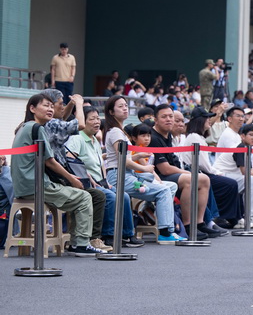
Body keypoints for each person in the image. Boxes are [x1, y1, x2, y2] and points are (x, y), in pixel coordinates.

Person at [11, 93, 103, 256]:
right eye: (45, 105)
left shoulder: (23, 127)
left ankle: (78, 242)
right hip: (37, 185)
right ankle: (80, 244)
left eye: (52, 106)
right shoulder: (37, 128)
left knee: (82, 195)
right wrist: (72, 178)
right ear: (32, 108)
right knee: (84, 197)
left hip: (22, 186)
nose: (50, 109)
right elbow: (50, 161)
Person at [102, 95, 183, 244]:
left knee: (171, 186)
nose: (125, 108)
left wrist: (137, 156)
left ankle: (150, 207)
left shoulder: (119, 132)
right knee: (163, 190)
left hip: (127, 175)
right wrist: (144, 167)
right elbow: (122, 160)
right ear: (111, 112)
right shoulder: (115, 132)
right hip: (120, 176)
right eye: (120, 106)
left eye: (126, 105)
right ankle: (165, 232)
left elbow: (120, 157)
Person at [66, 106, 142, 248]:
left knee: (123, 195)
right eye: (91, 119)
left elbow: (100, 163)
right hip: (85, 183)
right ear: (83, 121)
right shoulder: (77, 138)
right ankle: (108, 235)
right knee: (111, 197)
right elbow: (71, 161)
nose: (96, 122)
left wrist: (106, 181)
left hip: (100, 182)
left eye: (97, 118)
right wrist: (88, 177)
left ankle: (127, 234)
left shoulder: (95, 140)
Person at [149, 104, 229, 238]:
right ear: (155, 120)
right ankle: (188, 225)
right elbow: (165, 169)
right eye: (164, 117)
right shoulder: (153, 137)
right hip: (156, 177)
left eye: (171, 117)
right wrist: (189, 173)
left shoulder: (167, 136)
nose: (169, 119)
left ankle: (200, 222)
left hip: (170, 174)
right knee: (191, 179)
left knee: (204, 179)